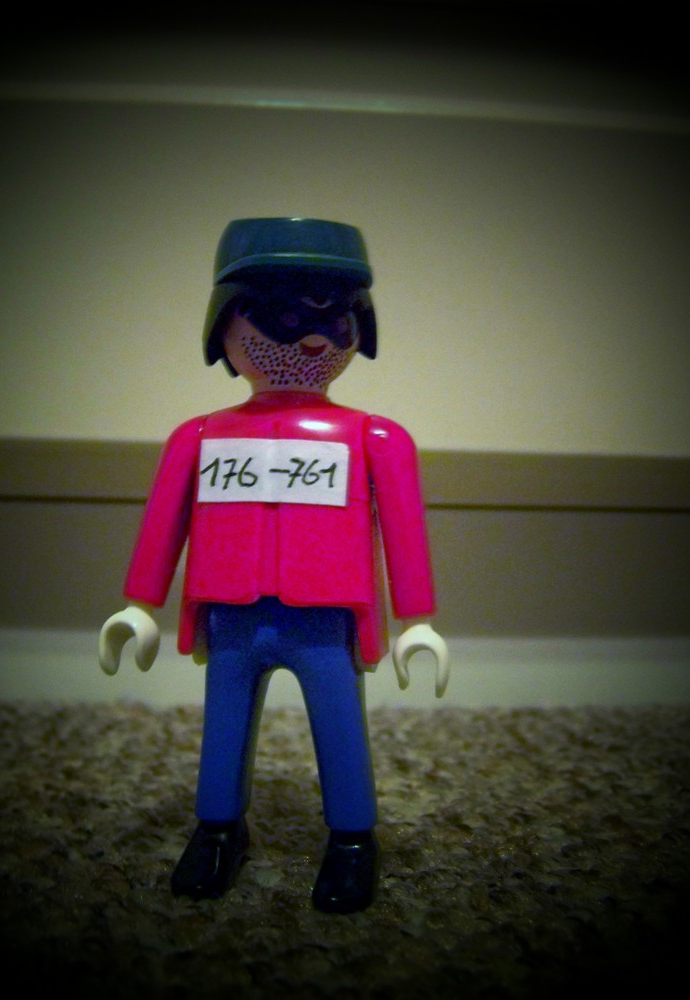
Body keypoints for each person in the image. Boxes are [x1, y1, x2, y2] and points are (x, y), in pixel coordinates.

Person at [99, 217, 449, 913]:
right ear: (225, 325)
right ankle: (217, 830)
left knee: (340, 726)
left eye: (335, 317)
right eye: (282, 316)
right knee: (224, 727)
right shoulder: (199, 436)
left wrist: (418, 620)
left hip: (325, 619)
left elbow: (404, 532)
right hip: (230, 614)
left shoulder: (375, 437)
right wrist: (139, 605)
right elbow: (164, 523)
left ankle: (352, 841)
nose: (311, 340)